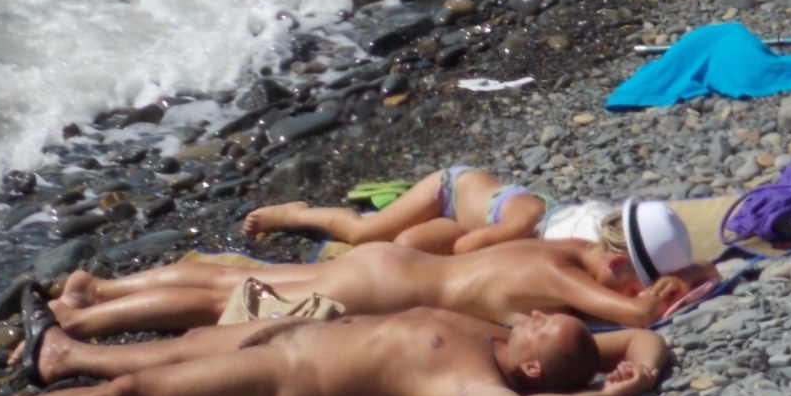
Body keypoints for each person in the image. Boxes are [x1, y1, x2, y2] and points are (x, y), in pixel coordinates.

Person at [0, 308, 668, 396]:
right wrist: (639, 377)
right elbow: (635, 336)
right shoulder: (513, 344)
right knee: (187, 341)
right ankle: (59, 356)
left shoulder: (479, 383)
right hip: (293, 339)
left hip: (284, 385)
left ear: (533, 361)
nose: (534, 314)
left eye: (544, 326)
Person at [45, 233, 717, 342]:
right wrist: (666, 296)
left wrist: (690, 266)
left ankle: (98, 286)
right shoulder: (560, 275)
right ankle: (84, 324)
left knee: (236, 277)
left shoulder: (559, 247)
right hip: (383, 289)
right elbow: (631, 319)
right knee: (226, 301)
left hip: (393, 262)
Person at [241, 165, 687, 262]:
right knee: (364, 233)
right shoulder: (523, 225)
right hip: (450, 191)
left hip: (472, 219)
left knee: (405, 249)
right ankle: (296, 214)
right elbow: (469, 246)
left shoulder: (592, 221)